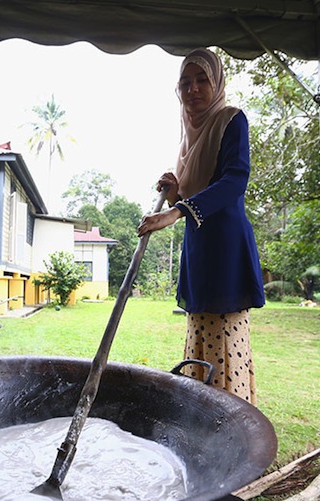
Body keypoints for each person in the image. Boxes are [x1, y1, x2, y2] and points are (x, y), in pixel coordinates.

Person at [137, 48, 265, 405]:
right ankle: (201, 413)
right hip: (199, 245)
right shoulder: (188, 135)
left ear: (218, 82)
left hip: (225, 246)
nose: (193, 89)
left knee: (225, 333)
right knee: (200, 332)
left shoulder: (230, 119)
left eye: (202, 80)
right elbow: (198, 186)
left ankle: (232, 418)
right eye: (185, 83)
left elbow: (234, 180)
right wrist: (177, 190)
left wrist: (177, 210)